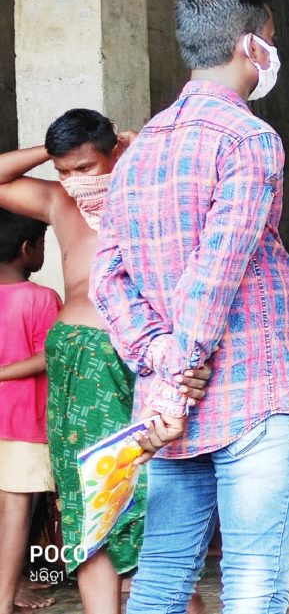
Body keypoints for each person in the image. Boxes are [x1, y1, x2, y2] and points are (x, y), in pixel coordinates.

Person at [91, 0, 289, 614]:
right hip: (250, 393)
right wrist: (181, 366)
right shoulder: (249, 139)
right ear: (250, 44)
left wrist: (160, 362)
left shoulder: (138, 150)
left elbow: (108, 275)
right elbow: (218, 267)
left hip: (168, 413)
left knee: (161, 578)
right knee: (254, 580)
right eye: (271, 38)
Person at [0, 110, 209, 614]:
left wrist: (136, 148)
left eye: (85, 167)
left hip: (147, 350)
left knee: (152, 485)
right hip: (81, 350)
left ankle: (177, 598)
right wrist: (55, 152)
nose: (75, 180)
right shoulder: (59, 200)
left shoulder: (148, 189)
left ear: (115, 152)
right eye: (64, 169)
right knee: (88, 495)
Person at [0, 211, 59, 614]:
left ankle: (11, 587)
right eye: (41, 243)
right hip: (24, 424)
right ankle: (4, 601)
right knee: (16, 510)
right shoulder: (41, 299)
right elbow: (50, 355)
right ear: (27, 249)